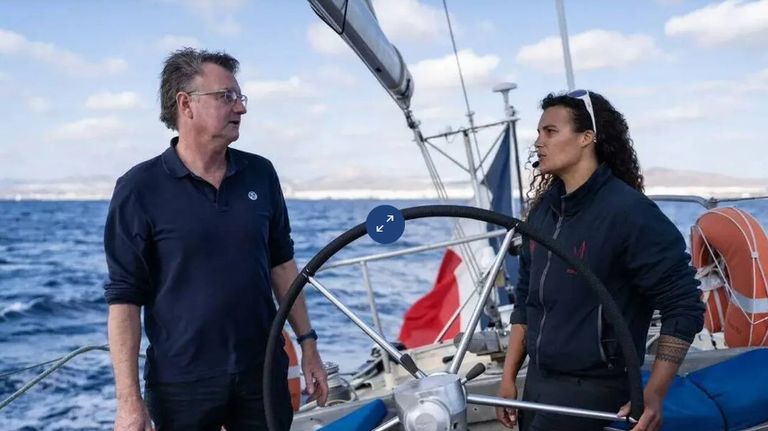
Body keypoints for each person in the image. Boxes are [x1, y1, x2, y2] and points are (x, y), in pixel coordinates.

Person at [104, 48, 328, 431]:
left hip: (262, 372)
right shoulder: (138, 189)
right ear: (185, 104)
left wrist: (308, 344)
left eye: (240, 97)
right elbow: (125, 301)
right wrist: (129, 403)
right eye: (227, 96)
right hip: (182, 384)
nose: (240, 108)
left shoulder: (261, 173)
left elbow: (283, 264)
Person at [495, 90, 705, 431]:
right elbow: (526, 300)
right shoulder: (543, 212)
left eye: (550, 132)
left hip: (594, 392)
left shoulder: (629, 213)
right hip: (536, 385)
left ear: (586, 137)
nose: (538, 142)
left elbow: (684, 305)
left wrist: (653, 394)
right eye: (538, 133)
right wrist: (508, 380)